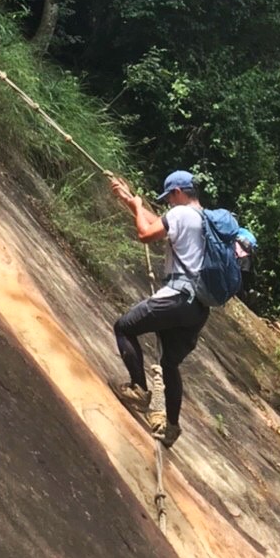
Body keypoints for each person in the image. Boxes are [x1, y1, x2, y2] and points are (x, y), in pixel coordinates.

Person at [108, 169, 210, 448]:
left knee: (124, 327)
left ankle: (139, 389)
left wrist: (137, 206)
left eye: (169, 198)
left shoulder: (180, 213)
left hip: (176, 296)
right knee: (169, 364)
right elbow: (159, 223)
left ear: (177, 192)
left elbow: (145, 233)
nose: (168, 203)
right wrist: (131, 202)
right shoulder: (203, 220)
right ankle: (172, 428)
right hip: (197, 308)